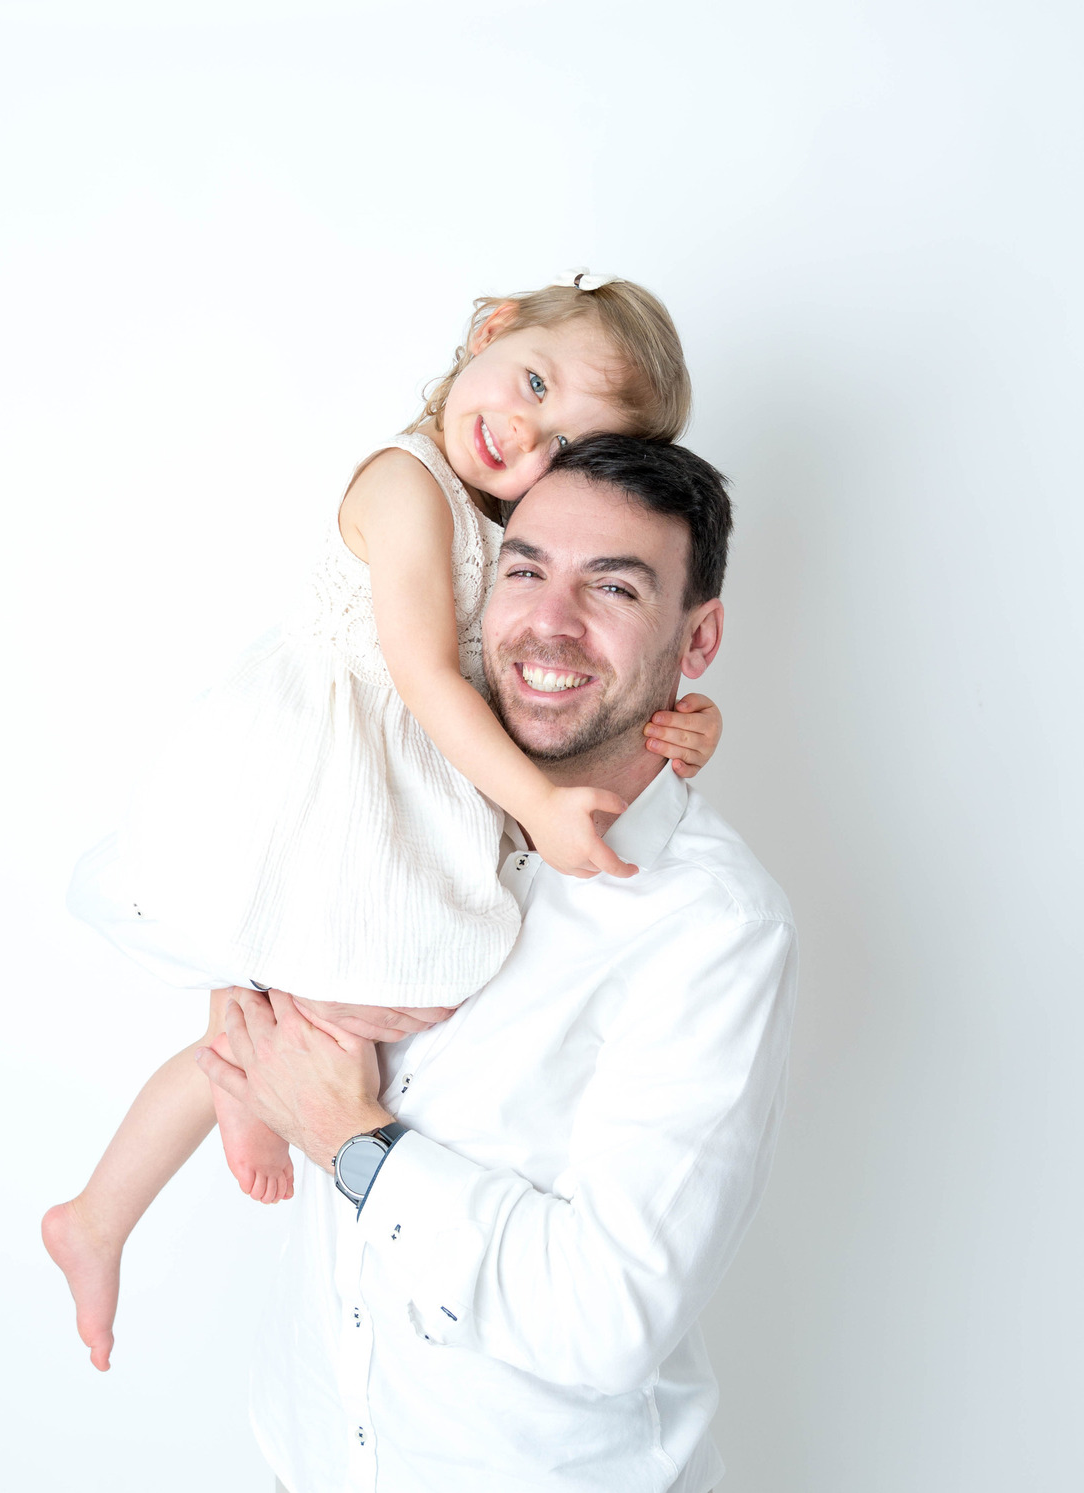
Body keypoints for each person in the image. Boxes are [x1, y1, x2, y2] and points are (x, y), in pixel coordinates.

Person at [42, 275, 726, 1372]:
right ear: (492, 329)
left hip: (377, 791)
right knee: (335, 998)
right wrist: (535, 803)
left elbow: (545, 682)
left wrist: (686, 721)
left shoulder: (499, 519)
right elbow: (424, 672)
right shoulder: (407, 483)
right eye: (532, 383)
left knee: (359, 1003)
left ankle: (106, 1206)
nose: (526, 433)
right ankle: (187, 1138)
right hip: (313, 778)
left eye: (564, 440)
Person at [197, 434, 798, 1493]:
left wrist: (346, 1136)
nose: (548, 622)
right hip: (309, 1455)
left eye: (612, 587)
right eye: (524, 570)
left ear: (697, 637)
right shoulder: (389, 795)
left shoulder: (714, 927)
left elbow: (606, 1318)